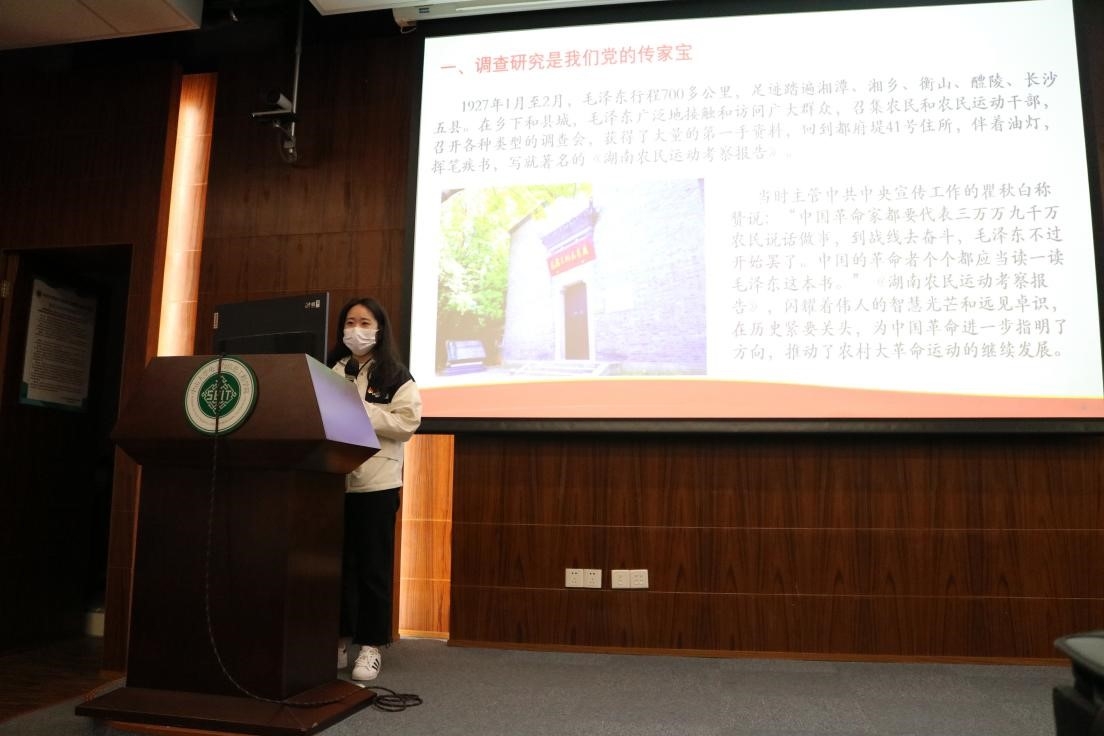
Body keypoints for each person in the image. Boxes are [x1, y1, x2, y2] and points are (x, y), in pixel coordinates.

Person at [328, 297, 422, 681]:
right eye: (350, 322)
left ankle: (371, 645)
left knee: (372, 568)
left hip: (377, 484)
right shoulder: (331, 371)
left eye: (364, 323)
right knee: (337, 566)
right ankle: (338, 638)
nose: (356, 330)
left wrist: (362, 411)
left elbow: (407, 423)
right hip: (333, 482)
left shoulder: (396, 375)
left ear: (379, 329)